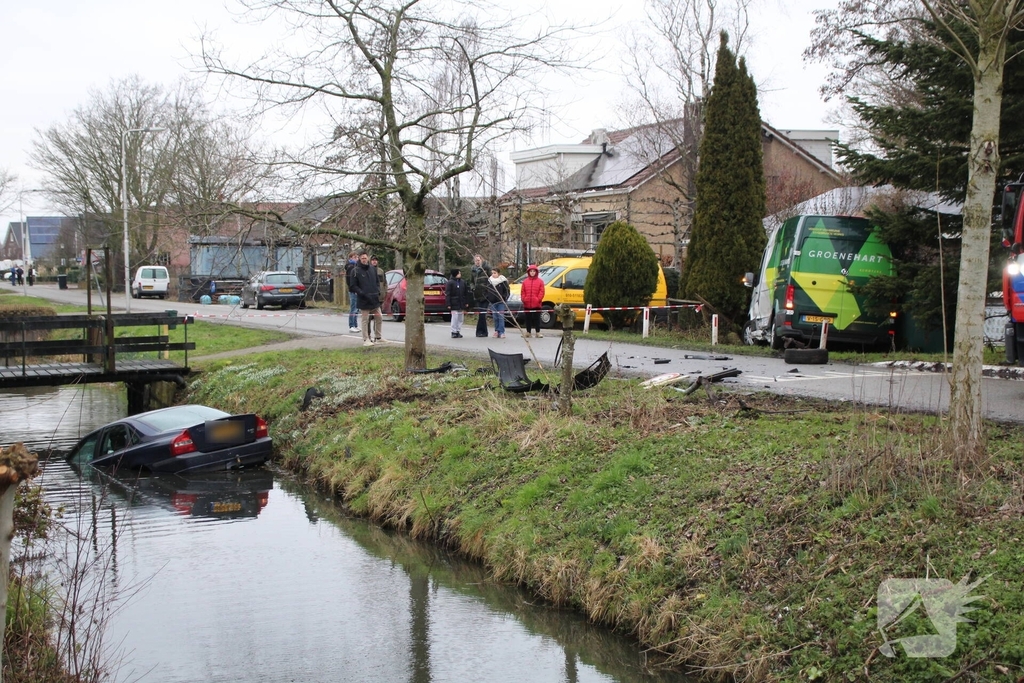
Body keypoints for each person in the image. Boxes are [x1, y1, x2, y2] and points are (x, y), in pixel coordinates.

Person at [351, 252, 384, 346]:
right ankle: (366, 339)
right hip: (364, 300)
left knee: (379, 317)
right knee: (365, 320)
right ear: (359, 259)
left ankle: (378, 337)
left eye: (365, 258)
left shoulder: (372, 269)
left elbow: (377, 282)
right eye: (362, 258)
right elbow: (353, 286)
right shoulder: (356, 271)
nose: (364, 259)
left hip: (374, 299)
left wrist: (377, 291)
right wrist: (362, 293)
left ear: (368, 258)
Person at [520, 263, 545, 338]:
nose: (532, 273)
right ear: (528, 272)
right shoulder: (525, 281)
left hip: (537, 304)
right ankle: (528, 332)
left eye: (534, 271)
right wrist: (524, 299)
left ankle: (537, 332)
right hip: (527, 304)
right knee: (528, 319)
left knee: (537, 319)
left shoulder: (540, 281)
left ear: (536, 272)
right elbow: (522, 291)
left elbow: (542, 292)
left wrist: (538, 299)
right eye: (531, 271)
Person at [445, 268, 471, 338]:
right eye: (459, 273)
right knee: (454, 318)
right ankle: (453, 331)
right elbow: (448, 294)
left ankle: (458, 331)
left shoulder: (463, 282)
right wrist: (448, 304)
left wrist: (466, 302)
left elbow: (466, 293)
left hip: (461, 303)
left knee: (460, 318)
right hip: (454, 303)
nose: (460, 274)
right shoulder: (450, 283)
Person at [485, 267, 510, 338]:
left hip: (500, 302)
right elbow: (486, 290)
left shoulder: (503, 281)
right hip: (493, 302)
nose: (493, 274)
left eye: (495, 273)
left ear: (498, 273)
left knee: (501, 317)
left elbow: (507, 291)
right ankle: (496, 331)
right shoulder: (490, 281)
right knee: (495, 317)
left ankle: (501, 332)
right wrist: (488, 297)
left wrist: (504, 298)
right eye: (492, 273)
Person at [471, 254, 491, 337]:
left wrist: (487, 289)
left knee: (482, 314)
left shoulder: (487, 269)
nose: (477, 262)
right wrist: (473, 288)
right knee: (481, 314)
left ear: (481, 260)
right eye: (476, 261)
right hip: (477, 294)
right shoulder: (473, 270)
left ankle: (480, 331)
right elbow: (471, 281)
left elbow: (491, 279)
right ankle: (483, 332)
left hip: (485, 294)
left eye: (478, 260)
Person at [345, 251, 360, 333]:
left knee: (357, 308)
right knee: (353, 308)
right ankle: (351, 325)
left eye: (357, 257)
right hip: (353, 290)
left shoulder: (356, 266)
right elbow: (350, 280)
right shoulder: (350, 267)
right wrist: (354, 289)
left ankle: (355, 324)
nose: (357, 259)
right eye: (355, 257)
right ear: (351, 258)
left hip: (357, 290)